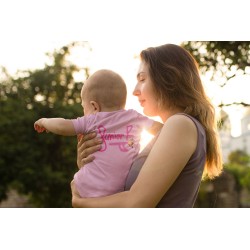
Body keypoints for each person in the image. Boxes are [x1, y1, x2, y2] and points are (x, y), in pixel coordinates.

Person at [71, 43, 223, 208]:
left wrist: (81, 202)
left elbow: (137, 203)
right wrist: (90, 166)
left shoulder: (180, 124)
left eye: (142, 79)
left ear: (168, 78)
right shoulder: (175, 129)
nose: (135, 91)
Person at [34, 69, 163, 198]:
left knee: (74, 185)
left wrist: (44, 121)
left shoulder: (92, 120)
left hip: (88, 187)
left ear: (94, 106)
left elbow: (62, 126)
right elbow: (160, 129)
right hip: (122, 190)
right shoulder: (134, 117)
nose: (84, 112)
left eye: (84, 108)